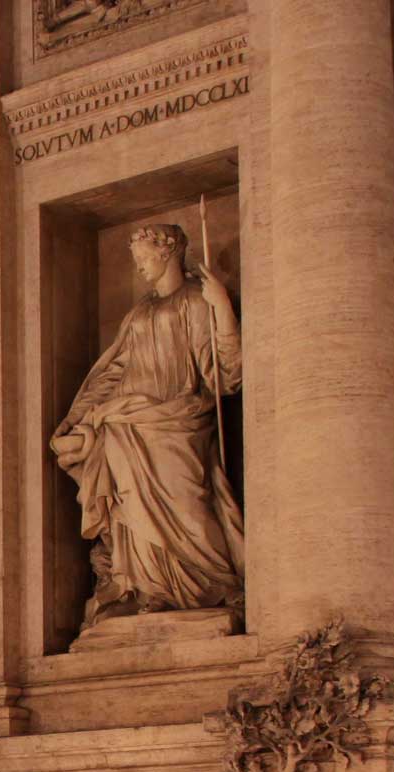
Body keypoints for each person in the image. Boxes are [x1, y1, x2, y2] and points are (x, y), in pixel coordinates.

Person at [51, 221, 244, 626]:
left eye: (143, 257)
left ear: (169, 251)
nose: (138, 265)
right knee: (132, 510)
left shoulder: (195, 300)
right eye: (135, 258)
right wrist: (79, 418)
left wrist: (222, 308)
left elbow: (224, 374)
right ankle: (149, 588)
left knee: (189, 505)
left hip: (178, 421)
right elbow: (113, 370)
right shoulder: (139, 311)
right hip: (124, 423)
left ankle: (211, 584)